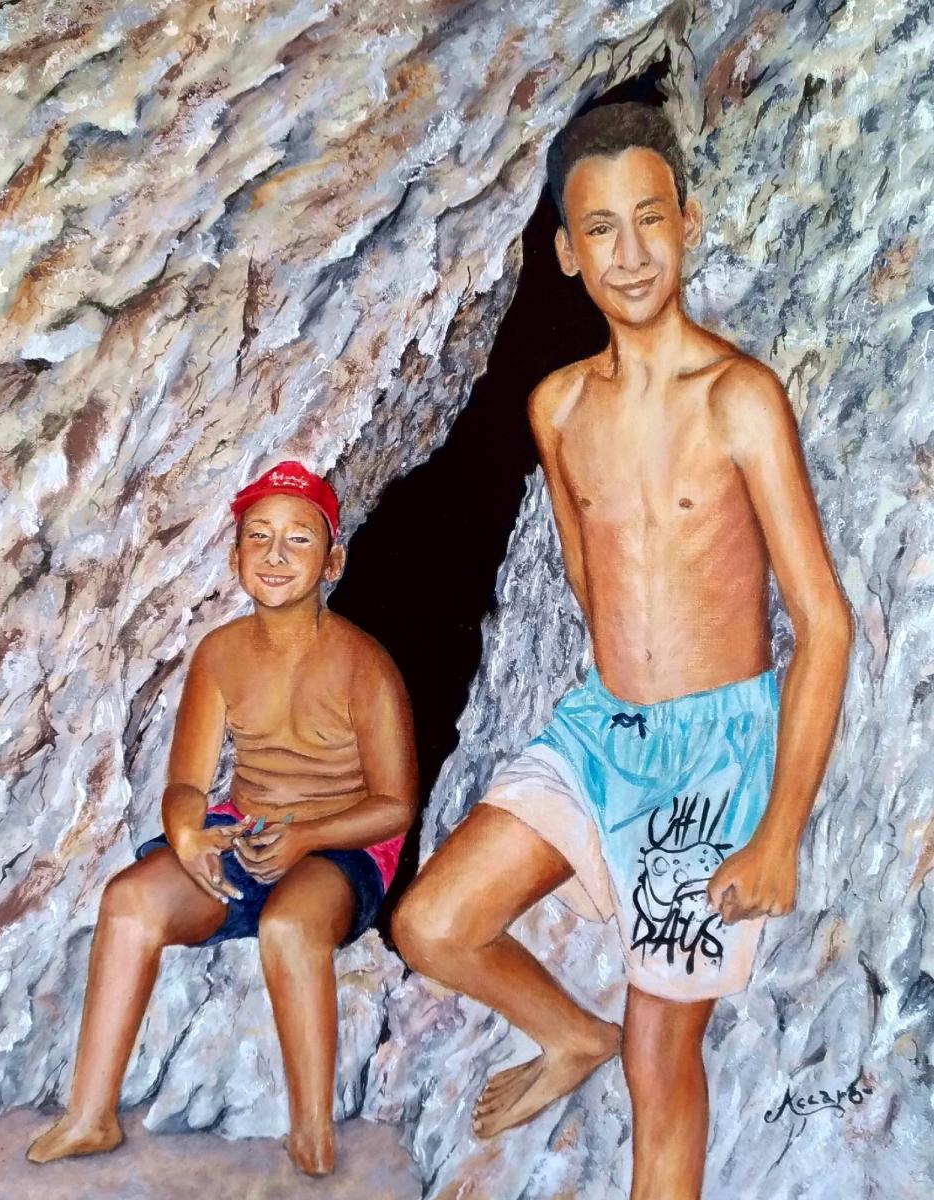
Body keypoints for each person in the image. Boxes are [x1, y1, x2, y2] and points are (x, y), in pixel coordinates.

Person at [392, 101, 853, 1200]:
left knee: (661, 1058)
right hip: (605, 731)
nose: (631, 253)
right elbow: (590, 578)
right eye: (600, 229)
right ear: (566, 251)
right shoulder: (556, 408)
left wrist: (777, 830)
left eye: (651, 219)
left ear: (688, 222)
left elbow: (823, 623)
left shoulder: (741, 399)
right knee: (430, 922)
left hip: (714, 760)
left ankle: (618, 1064)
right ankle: (568, 1033)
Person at [28, 461, 418, 1177]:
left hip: (342, 842)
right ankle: (91, 1116)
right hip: (248, 829)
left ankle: (311, 1131)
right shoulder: (220, 655)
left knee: (290, 926)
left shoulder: (365, 665)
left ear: (332, 561)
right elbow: (186, 782)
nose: (275, 555)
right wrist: (188, 834)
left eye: (298, 539)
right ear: (235, 555)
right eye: (258, 537)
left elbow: (396, 805)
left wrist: (307, 836)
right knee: (129, 900)